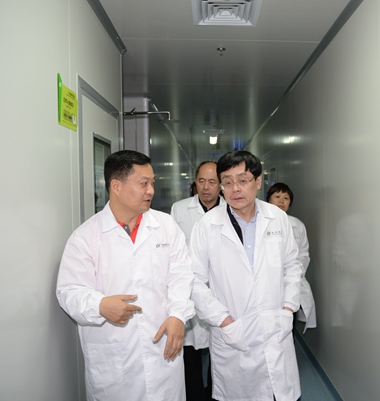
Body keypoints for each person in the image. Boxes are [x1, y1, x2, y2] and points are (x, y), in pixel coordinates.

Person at [56, 150, 195, 401]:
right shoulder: (85, 237)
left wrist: (177, 315)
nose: (151, 190)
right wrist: (99, 305)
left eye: (152, 183)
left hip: (162, 354)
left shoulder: (165, 226)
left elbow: (181, 275)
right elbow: (69, 291)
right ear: (116, 186)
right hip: (114, 360)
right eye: (143, 183)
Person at [189, 150, 303, 401]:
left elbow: (293, 265)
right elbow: (194, 281)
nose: (235, 189)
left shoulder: (277, 218)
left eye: (243, 180)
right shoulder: (207, 226)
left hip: (276, 327)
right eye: (227, 182)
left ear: (258, 181)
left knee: (279, 393)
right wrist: (223, 321)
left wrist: (288, 308)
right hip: (233, 334)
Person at [171, 161, 224, 400]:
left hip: (221, 291)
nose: (206, 187)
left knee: (220, 354)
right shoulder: (179, 209)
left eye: (212, 182)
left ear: (221, 185)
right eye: (201, 181)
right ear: (195, 182)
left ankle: (215, 395)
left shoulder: (231, 209)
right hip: (190, 289)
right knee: (189, 354)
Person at [267, 183, 317, 333]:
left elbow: (303, 253)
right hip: (267, 285)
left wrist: (294, 274)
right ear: (268, 200)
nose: (281, 201)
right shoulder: (260, 223)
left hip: (290, 283)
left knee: (288, 325)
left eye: (286, 198)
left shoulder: (297, 225)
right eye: (277, 196)